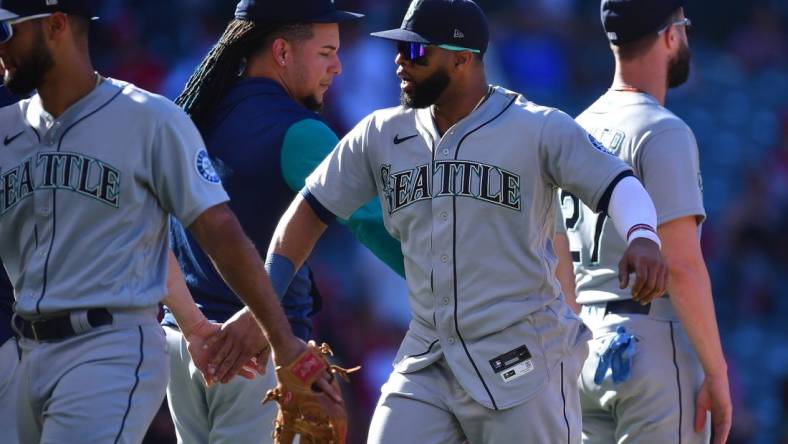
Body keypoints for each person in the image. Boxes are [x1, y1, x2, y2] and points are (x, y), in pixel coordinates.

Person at [265, 0, 669, 442]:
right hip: (428, 357)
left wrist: (643, 236)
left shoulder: (536, 128)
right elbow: (305, 214)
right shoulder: (381, 134)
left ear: (462, 59)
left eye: (417, 52)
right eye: (399, 49)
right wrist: (263, 307)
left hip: (522, 355)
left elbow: (618, 184)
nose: (400, 61)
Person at [0, 1, 326, 442]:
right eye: (327, 52)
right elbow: (156, 240)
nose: (1, 45)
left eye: (7, 30)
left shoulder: (146, 118)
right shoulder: (7, 130)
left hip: (106, 348)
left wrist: (280, 339)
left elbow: (219, 230)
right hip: (21, 349)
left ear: (56, 25)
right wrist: (195, 326)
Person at [163, 0, 405, 442]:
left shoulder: (189, 115)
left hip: (186, 348)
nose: (337, 67)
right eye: (326, 52)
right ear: (281, 52)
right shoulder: (300, 131)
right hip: (257, 354)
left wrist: (193, 326)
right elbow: (376, 225)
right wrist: (453, 283)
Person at [559, 1, 733, 443]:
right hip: (649, 345)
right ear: (670, 34)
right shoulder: (663, 130)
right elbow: (680, 267)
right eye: (685, 26)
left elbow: (556, 259)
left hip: (583, 349)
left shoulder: (574, 129)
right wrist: (717, 372)